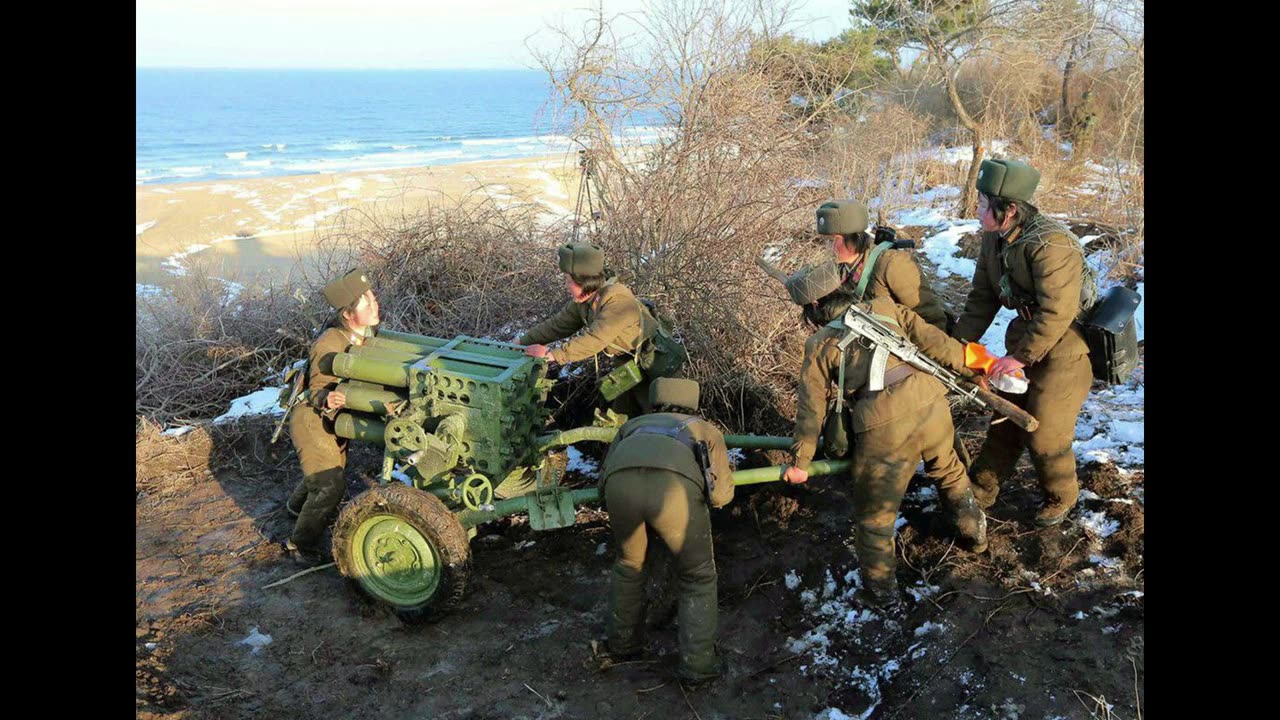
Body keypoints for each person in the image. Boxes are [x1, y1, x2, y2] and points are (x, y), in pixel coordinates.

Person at [780, 263, 988, 608]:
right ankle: (975, 535)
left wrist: (800, 462)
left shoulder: (820, 343)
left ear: (813, 308)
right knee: (949, 471)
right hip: (931, 401)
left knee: (875, 517)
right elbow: (940, 344)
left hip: (884, 424)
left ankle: (883, 595)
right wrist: (976, 370)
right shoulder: (886, 307)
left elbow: (811, 408)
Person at [951, 158, 1093, 527]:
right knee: (1004, 418)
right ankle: (982, 487)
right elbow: (982, 297)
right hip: (1025, 337)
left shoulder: (1052, 244)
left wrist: (1018, 358)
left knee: (1046, 432)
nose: (978, 209)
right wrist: (954, 345)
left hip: (1066, 347)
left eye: (984, 203)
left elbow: (1058, 312)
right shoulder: (993, 238)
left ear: (1010, 209)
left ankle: (1062, 494)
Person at [599, 378, 734, 682]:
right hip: (674, 494)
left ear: (655, 400)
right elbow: (723, 495)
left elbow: (602, 481)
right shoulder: (705, 430)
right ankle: (698, 665)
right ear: (693, 403)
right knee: (698, 575)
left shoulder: (632, 426)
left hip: (620, 487)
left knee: (629, 565)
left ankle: (622, 646)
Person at [519, 242, 685, 416]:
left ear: (582, 281)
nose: (566, 285)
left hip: (657, 363)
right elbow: (555, 326)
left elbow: (595, 339)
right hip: (630, 364)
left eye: (568, 280)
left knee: (657, 418)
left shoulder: (617, 299)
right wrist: (520, 342)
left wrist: (553, 355)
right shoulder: (584, 302)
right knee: (621, 415)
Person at [285, 267, 381, 559]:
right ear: (348, 315)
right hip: (312, 418)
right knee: (330, 484)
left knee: (326, 472)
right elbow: (313, 390)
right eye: (366, 304)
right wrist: (328, 396)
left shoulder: (366, 331)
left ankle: (294, 508)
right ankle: (299, 544)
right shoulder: (329, 344)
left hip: (332, 418)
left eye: (373, 298)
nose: (375, 305)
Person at [817, 199, 950, 331]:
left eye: (833, 240)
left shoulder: (893, 264)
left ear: (854, 238)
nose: (828, 248)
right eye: (825, 241)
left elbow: (931, 318)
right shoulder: (841, 268)